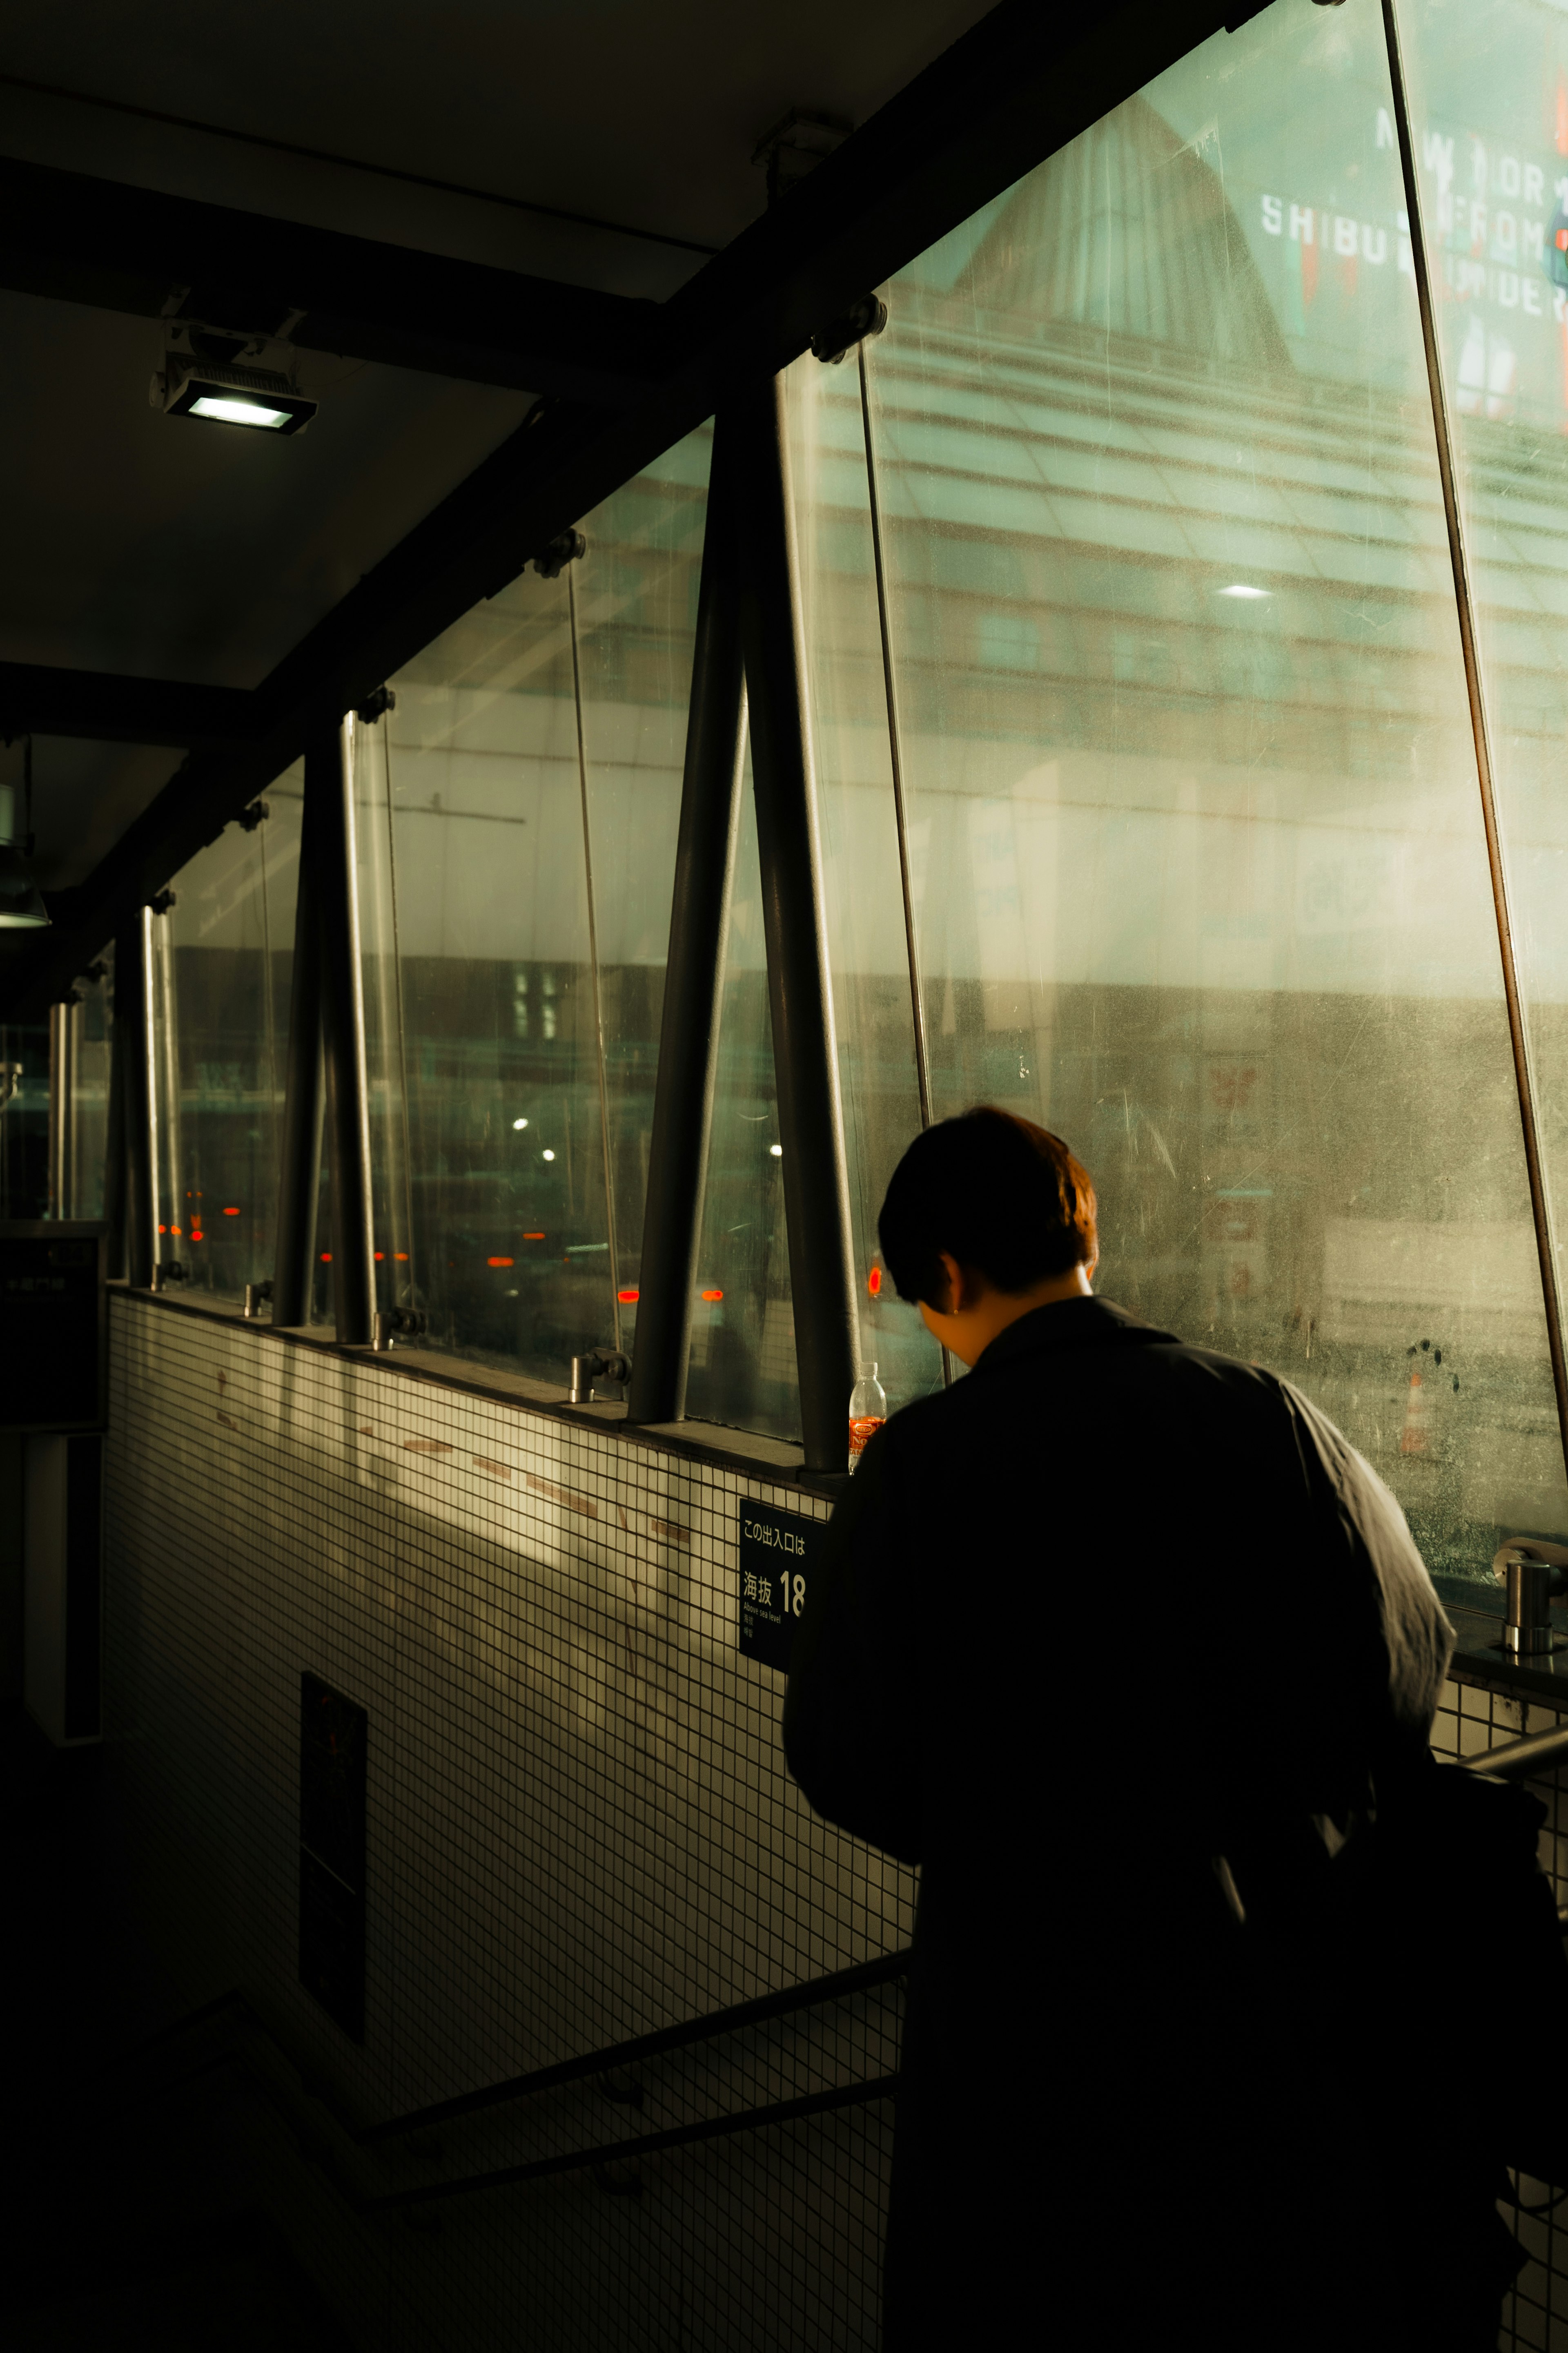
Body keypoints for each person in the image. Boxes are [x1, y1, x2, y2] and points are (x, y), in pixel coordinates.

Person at [781, 1107, 1501, 2352]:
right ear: (1084, 1238)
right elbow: (1404, 1664)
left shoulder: (920, 1472)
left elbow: (848, 1758)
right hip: (1271, 2028)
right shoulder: (1267, 1415)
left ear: (944, 1278)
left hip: (1023, 2051)